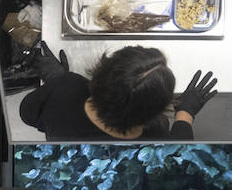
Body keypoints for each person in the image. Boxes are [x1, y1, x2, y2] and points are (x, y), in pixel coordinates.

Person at [18, 41, 217, 140]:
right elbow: (179, 149)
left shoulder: (68, 87)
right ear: (151, 116)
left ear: (100, 73)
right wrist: (185, 113)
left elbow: (27, 113)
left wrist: (57, 80)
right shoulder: (156, 138)